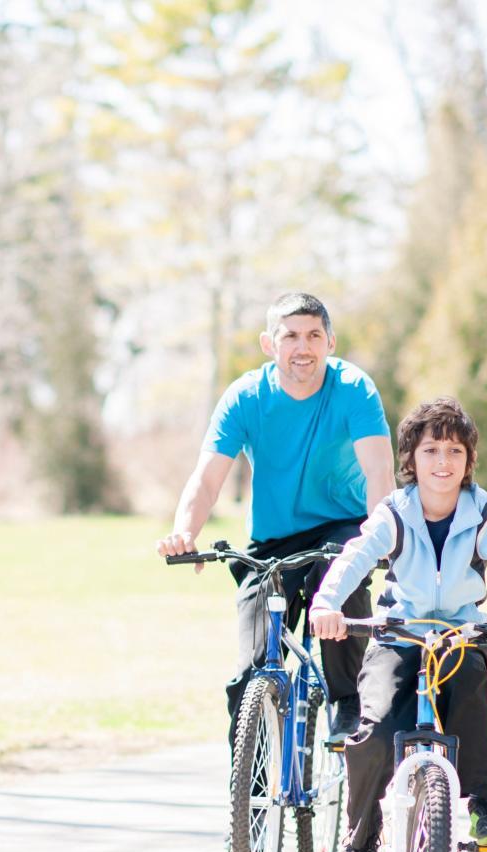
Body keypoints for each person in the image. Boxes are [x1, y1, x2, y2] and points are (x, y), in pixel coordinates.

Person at [309, 396, 487, 852]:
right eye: (430, 451)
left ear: (468, 461)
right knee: (377, 730)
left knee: (472, 700)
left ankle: (483, 803)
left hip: (459, 634)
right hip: (399, 633)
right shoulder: (395, 512)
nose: (443, 462)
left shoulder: (484, 512)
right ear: (411, 460)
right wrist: (327, 603)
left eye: (454, 452)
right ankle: (360, 839)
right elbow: (357, 557)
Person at [156, 291, 395, 745]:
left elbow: (378, 470)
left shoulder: (353, 389)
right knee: (252, 672)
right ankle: (255, 795)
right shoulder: (245, 397)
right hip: (273, 540)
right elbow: (207, 480)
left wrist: (382, 538)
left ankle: (347, 701)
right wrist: (185, 531)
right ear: (270, 344)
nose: (302, 347)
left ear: (330, 342)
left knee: (338, 576)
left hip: (341, 528)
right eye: (290, 336)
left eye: (313, 336)